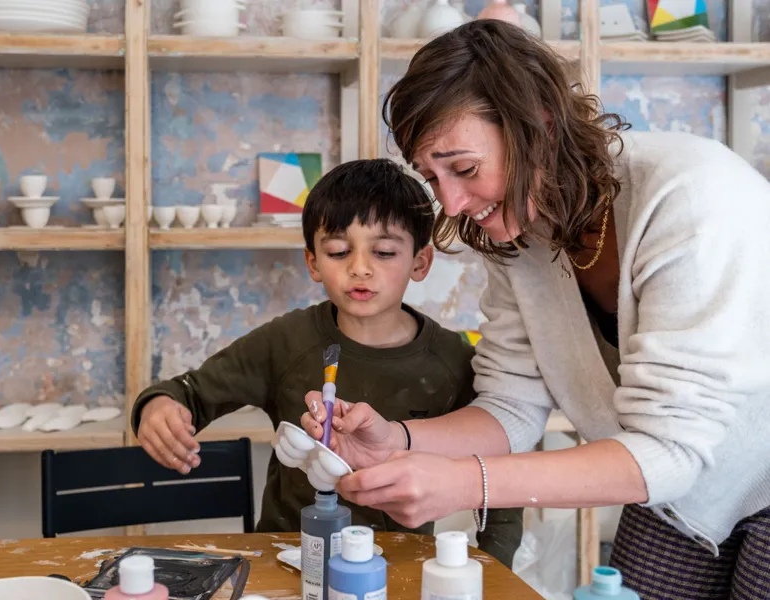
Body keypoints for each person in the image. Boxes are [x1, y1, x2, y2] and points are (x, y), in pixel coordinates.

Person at [299, 20, 770, 600]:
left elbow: (671, 448)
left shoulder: (691, 197)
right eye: (432, 176)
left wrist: (466, 483)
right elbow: (512, 408)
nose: (451, 202)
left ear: (539, 128)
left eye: (465, 168)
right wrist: (397, 440)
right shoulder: (520, 231)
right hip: (676, 487)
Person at [131, 158, 524, 568]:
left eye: (385, 251)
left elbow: (496, 470)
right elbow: (189, 393)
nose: (360, 268)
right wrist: (159, 407)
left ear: (420, 262)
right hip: (284, 562)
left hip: (397, 570)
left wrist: (494, 565)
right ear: (314, 262)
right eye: (338, 251)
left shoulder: (454, 362)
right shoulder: (286, 341)